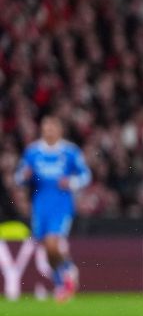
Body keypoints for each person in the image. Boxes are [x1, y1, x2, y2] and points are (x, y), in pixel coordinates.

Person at [13, 115, 91, 302]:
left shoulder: (70, 152)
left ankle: (69, 272)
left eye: (52, 128)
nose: (49, 131)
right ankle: (63, 281)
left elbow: (86, 175)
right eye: (46, 128)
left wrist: (71, 182)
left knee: (52, 243)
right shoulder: (33, 152)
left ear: (60, 130)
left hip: (61, 205)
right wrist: (24, 176)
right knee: (48, 250)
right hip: (40, 206)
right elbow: (18, 177)